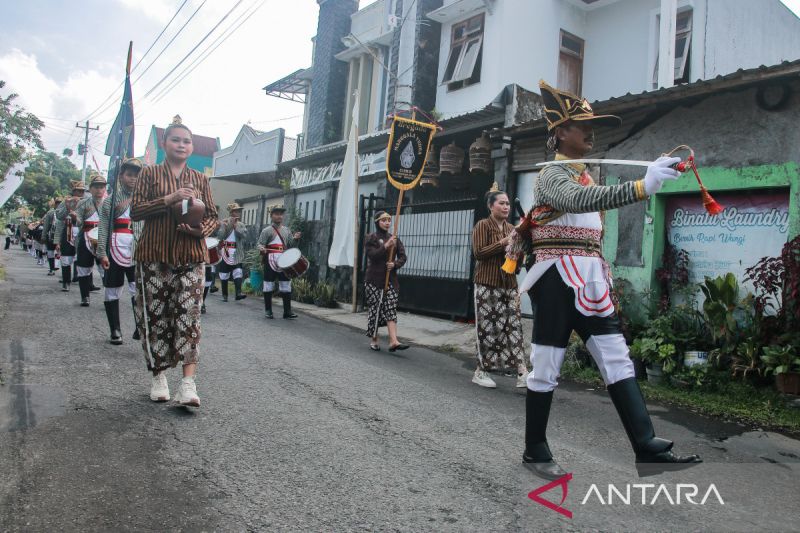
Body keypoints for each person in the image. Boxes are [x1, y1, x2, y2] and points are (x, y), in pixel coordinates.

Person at [512, 80, 701, 479]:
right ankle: (534, 448)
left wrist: (643, 184)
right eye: (583, 124)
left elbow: (590, 203)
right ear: (560, 131)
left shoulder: (583, 176)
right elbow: (580, 201)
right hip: (557, 278)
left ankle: (646, 445)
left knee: (617, 357)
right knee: (547, 365)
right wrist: (640, 186)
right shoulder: (551, 176)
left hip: (591, 281)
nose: (591, 131)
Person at [131, 116, 218, 407]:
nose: (182, 145)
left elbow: (213, 217)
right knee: (156, 317)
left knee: (189, 316)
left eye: (187, 141)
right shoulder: (149, 173)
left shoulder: (201, 179)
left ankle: (188, 384)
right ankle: (158, 376)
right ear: (165, 143)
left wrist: (199, 231)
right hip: (154, 256)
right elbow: (136, 211)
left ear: (192, 147)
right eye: (176, 140)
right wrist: (170, 198)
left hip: (191, 256)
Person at [471, 187, 528, 388]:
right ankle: (481, 371)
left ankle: (522, 371)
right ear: (490, 206)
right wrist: (502, 243)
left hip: (509, 284)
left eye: (507, 203)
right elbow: (479, 253)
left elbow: (516, 258)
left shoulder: (513, 228)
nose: (505, 206)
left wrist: (519, 253)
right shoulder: (482, 225)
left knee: (513, 327)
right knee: (488, 328)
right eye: (501, 203)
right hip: (487, 284)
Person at [97, 158, 143, 345]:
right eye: (129, 175)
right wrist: (102, 252)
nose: (133, 179)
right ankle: (115, 329)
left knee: (137, 290)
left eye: (136, 175)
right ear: (121, 176)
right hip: (115, 246)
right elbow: (103, 228)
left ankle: (139, 326)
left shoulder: (144, 198)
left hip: (137, 248)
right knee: (113, 289)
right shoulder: (110, 200)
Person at [363, 211, 409, 352]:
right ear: (377, 222)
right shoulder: (371, 237)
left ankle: (393, 341)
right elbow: (372, 255)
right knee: (376, 309)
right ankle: (374, 339)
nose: (387, 223)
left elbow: (403, 257)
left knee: (390, 308)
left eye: (389, 220)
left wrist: (394, 264)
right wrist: (385, 246)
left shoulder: (394, 238)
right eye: (384, 220)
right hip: (374, 280)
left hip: (391, 280)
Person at [257, 205, 301, 319]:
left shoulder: (286, 230)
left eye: (281, 214)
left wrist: (295, 239)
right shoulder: (267, 230)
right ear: (271, 216)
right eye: (276, 214)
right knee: (268, 285)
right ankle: (268, 310)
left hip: (284, 259)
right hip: (270, 258)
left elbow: (291, 245)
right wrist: (261, 248)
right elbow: (260, 243)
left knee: (286, 285)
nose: (279, 216)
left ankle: (287, 311)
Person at [74, 173, 107, 306]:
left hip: (102, 237)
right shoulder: (83, 203)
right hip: (86, 236)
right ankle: (85, 296)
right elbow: (79, 221)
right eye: (96, 187)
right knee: (83, 267)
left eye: (101, 187)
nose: (99, 190)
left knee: (105, 268)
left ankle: (108, 298)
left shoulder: (108, 203)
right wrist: (75, 218)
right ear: (91, 189)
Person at [54, 181, 87, 292]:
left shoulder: (87, 202)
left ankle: (86, 284)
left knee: (84, 258)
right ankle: (66, 282)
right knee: (66, 258)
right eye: (79, 190)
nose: (81, 193)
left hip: (83, 232)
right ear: (73, 191)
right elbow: (59, 216)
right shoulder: (66, 201)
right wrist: (68, 208)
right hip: (68, 231)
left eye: (83, 191)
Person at [216, 202, 247, 302]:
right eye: (236, 211)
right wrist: (223, 226)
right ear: (231, 212)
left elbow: (244, 236)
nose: (238, 213)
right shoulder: (225, 222)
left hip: (237, 250)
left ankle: (238, 293)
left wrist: (236, 227)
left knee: (238, 271)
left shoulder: (241, 224)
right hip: (225, 250)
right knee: (224, 274)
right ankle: (225, 295)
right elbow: (220, 237)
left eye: (239, 211)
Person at [41, 197, 62, 275]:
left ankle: (62, 271)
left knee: (62, 254)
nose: (59, 205)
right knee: (50, 253)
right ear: (55, 204)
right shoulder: (50, 213)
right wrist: (43, 236)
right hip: (51, 236)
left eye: (60, 203)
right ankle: (51, 268)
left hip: (61, 237)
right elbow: (46, 226)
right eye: (57, 203)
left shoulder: (65, 213)